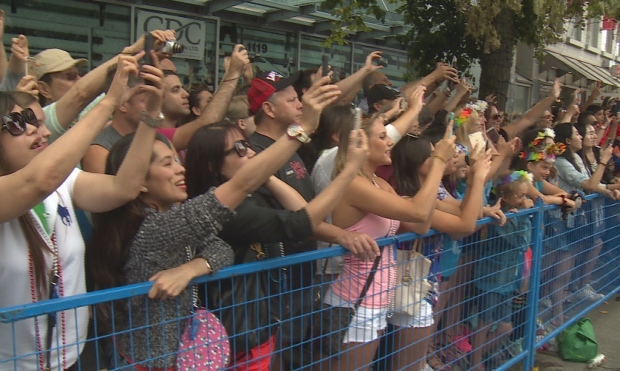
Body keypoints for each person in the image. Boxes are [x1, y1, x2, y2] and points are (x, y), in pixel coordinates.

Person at [88, 75, 342, 370]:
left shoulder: (171, 214)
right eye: (167, 164)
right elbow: (246, 192)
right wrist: (306, 131)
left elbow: (219, 249)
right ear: (138, 182)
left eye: (176, 159)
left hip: (183, 354)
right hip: (152, 361)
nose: (179, 169)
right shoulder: (152, 227)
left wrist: (190, 268)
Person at [0, 54, 162, 371]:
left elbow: (124, 188)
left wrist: (151, 116)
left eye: (41, 123)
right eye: (21, 124)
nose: (41, 133)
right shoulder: (40, 182)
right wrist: (108, 102)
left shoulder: (63, 182)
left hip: (70, 357)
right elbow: (37, 181)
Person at [183, 120, 369, 371]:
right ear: (213, 166)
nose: (250, 152)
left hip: (254, 318)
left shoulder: (244, 195)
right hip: (235, 330)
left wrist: (265, 176)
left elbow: (300, 209)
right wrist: (349, 172)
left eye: (247, 144)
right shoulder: (224, 211)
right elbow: (299, 222)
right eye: (239, 149)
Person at [248, 69, 379, 370]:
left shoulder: (292, 146)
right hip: (274, 277)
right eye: (292, 99)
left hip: (300, 272)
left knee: (293, 349)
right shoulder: (256, 152)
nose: (300, 104)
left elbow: (305, 207)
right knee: (274, 354)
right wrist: (341, 235)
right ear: (268, 109)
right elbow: (293, 217)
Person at [317, 115, 456, 371]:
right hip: (354, 301)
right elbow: (417, 212)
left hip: (378, 299)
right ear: (362, 145)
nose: (389, 141)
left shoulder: (379, 183)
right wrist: (438, 162)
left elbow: (421, 223)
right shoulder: (354, 185)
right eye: (382, 137)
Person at [388, 133, 492, 371]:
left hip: (424, 286)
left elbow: (469, 212)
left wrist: (477, 174)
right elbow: (465, 227)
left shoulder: (430, 194)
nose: (441, 158)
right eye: (433, 155)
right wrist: (477, 180)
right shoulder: (409, 198)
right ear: (417, 163)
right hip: (410, 290)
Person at [550, 123, 620, 325]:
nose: (581, 137)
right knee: (556, 270)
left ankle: (558, 314)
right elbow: (589, 185)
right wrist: (604, 162)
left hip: (573, 221)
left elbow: (593, 184)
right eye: (577, 134)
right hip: (560, 221)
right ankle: (554, 317)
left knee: (566, 268)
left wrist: (607, 190)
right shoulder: (562, 162)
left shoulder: (577, 158)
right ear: (567, 141)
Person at [157, 44, 249, 151]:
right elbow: (207, 123)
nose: (185, 94)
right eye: (175, 90)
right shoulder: (157, 136)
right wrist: (233, 73)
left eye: (182, 88)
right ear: (157, 98)